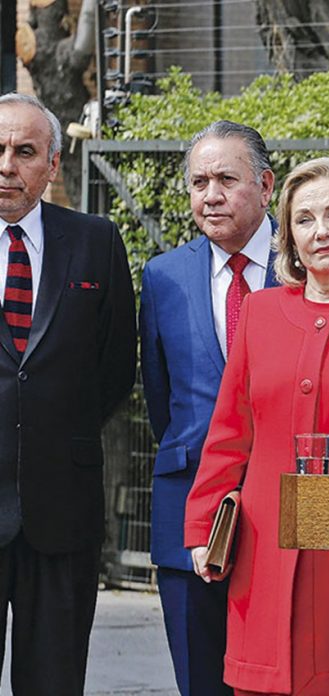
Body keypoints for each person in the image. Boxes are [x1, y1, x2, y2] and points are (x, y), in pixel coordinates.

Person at [183, 158, 329, 695]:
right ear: (288, 237)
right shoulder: (260, 313)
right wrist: (202, 527)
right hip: (263, 550)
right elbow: (229, 432)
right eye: (304, 220)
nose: (320, 231)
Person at [0, 93, 136, 693]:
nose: (6, 165)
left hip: (63, 512)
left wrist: (54, 429)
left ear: (53, 164)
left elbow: (115, 366)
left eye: (24, 151)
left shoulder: (95, 242)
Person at [140, 120, 278, 696]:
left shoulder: (308, 265)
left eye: (226, 179)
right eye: (199, 183)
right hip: (188, 515)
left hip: (283, 516)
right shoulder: (163, 276)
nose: (211, 196)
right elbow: (160, 398)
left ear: (266, 185)